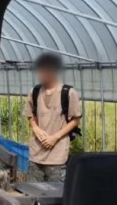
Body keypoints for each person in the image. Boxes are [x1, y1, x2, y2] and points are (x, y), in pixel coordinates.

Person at [24, 52, 82, 183]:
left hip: (57, 155)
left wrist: (54, 137)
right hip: (36, 155)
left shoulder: (68, 93)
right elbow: (29, 114)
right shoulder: (35, 92)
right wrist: (36, 129)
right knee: (33, 194)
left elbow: (76, 120)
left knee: (56, 195)